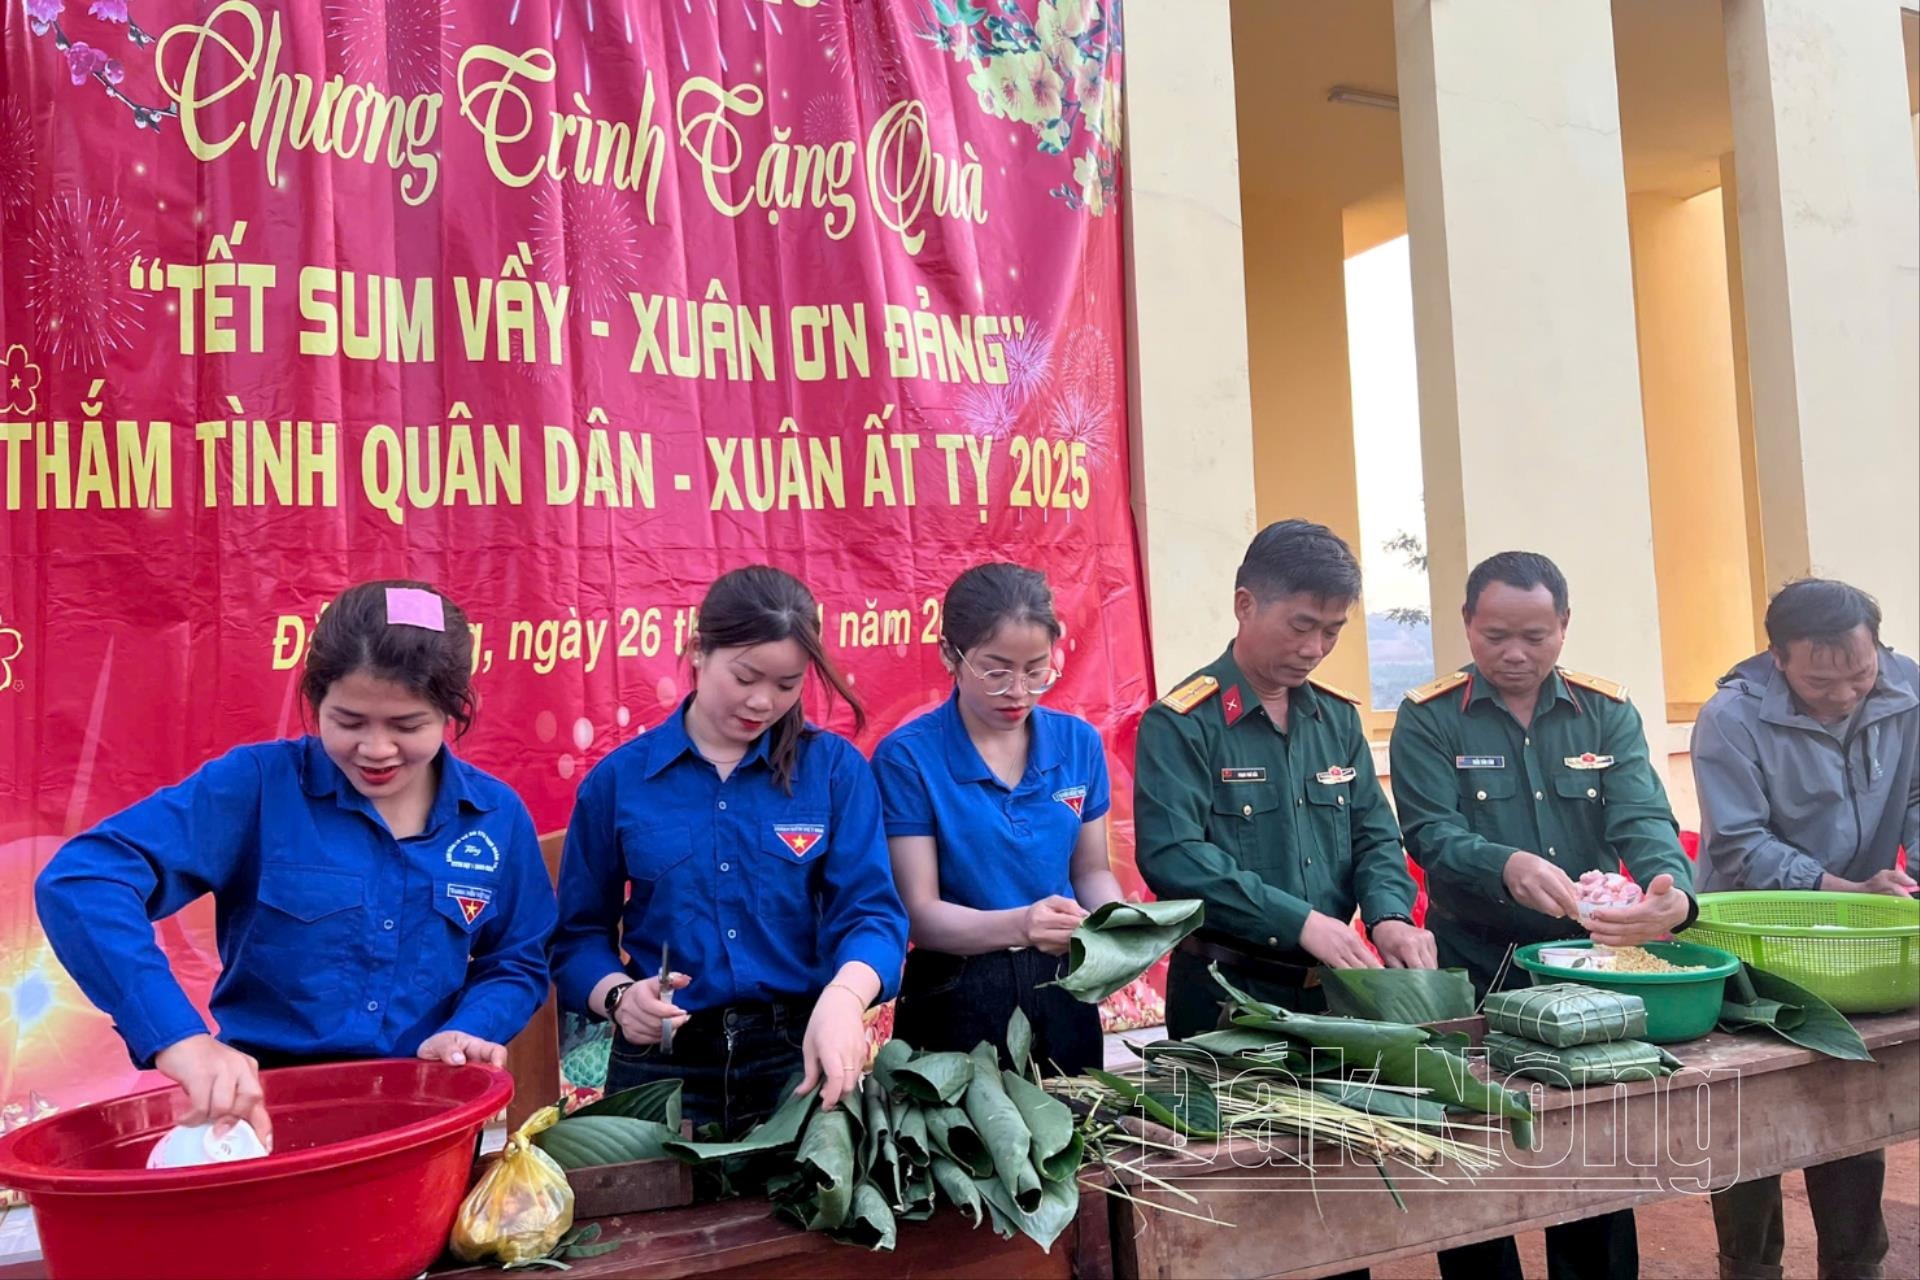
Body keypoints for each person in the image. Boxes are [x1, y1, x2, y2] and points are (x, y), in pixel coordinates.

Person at [36, 581, 558, 1147]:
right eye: (349, 721)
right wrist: (177, 1037)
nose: (377, 749)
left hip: (430, 1122)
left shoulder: (493, 815)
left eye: (408, 726)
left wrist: (468, 1028)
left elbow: (517, 959)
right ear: (314, 700)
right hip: (266, 1119)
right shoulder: (257, 787)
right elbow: (83, 880)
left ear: (454, 711)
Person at [1390, 550, 1698, 1280]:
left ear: (1564, 626)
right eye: (1496, 635)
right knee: (1473, 1147)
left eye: (1536, 634)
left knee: (1592, 1148)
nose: (1516, 654)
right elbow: (1428, 833)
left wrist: (1668, 891)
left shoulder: (1605, 711)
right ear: (1467, 626)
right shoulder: (1429, 719)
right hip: (1477, 965)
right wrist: (1505, 864)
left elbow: (1645, 819)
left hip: (1584, 964)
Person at [549, 566, 909, 1135]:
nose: (763, 702)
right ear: (698, 650)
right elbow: (574, 938)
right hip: (662, 1059)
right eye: (745, 677)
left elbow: (872, 914)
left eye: (788, 684)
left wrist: (844, 997)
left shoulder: (833, 771)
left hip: (796, 1051)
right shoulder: (620, 782)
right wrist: (619, 998)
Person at [1134, 519, 1436, 1039]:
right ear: (1245, 605)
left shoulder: (1337, 721)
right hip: (1226, 998)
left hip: (1332, 997)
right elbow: (1174, 856)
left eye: (1332, 631)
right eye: (1301, 626)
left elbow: (1375, 836)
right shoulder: (1182, 722)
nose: (1315, 648)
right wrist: (1297, 921)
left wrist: (1390, 915)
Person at [1693, 578, 1915, 1280]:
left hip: (1858, 948)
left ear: (1877, 647)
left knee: (1850, 1103)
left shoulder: (1908, 692)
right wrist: (1848, 894)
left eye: (1860, 674)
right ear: (1778, 659)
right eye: (1822, 683)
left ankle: (1855, 1265)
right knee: (1744, 1124)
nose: (1845, 695)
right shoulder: (1730, 717)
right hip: (1748, 947)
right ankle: (1749, 1268)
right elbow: (1737, 842)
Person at [873, 564, 1123, 1077]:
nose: (1018, 690)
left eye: (1036, 670)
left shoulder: (1077, 744)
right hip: (954, 992)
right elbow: (919, 912)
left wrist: (1119, 928)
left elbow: (1091, 871)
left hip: (1063, 987)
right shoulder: (909, 758)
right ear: (951, 655)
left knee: (1076, 1136)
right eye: (996, 669)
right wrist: (1023, 924)